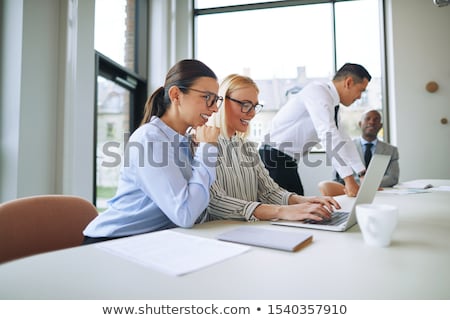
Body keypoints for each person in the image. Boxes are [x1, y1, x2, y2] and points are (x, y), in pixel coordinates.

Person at [83, 59, 221, 244]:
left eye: (216, 100)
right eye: (207, 98)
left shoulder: (186, 141)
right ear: (176, 95)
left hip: (152, 240)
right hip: (114, 240)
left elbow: (198, 207)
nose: (213, 108)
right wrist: (207, 149)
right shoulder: (150, 139)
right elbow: (185, 214)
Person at [205, 74, 340, 223]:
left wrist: (307, 201)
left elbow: (269, 192)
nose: (251, 113)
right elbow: (215, 202)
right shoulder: (203, 144)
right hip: (219, 233)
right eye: (245, 104)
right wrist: (282, 211)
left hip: (249, 229)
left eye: (255, 106)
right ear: (222, 102)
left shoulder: (247, 147)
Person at [259, 63, 372, 197]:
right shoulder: (318, 92)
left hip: (285, 160)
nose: (360, 97)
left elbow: (344, 139)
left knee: (297, 207)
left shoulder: (332, 103)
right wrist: (349, 179)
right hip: (274, 158)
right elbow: (327, 135)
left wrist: (363, 174)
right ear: (348, 82)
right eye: (361, 90)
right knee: (294, 210)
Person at [318, 109, 399, 196]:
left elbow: (392, 178)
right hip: (350, 194)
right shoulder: (345, 147)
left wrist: (365, 186)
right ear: (360, 124)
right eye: (368, 119)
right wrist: (353, 186)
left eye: (376, 119)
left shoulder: (391, 150)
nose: (371, 122)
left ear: (380, 126)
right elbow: (336, 178)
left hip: (380, 193)